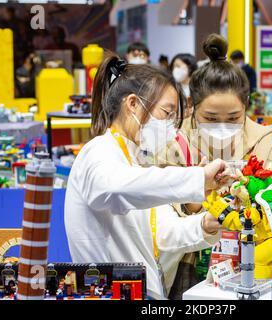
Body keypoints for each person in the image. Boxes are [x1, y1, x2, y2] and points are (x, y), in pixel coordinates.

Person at [64, 53, 234, 300]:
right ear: (132, 104)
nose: (171, 130)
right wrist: (197, 178)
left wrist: (205, 224)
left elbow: (163, 234)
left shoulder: (136, 161)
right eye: (166, 114)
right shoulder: (98, 152)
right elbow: (115, 189)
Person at [156, 34, 272, 299]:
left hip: (251, 259)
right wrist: (197, 195)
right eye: (211, 118)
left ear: (246, 106)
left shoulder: (263, 141)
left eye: (234, 117)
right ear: (192, 107)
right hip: (188, 261)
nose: (222, 124)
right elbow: (160, 207)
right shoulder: (174, 140)